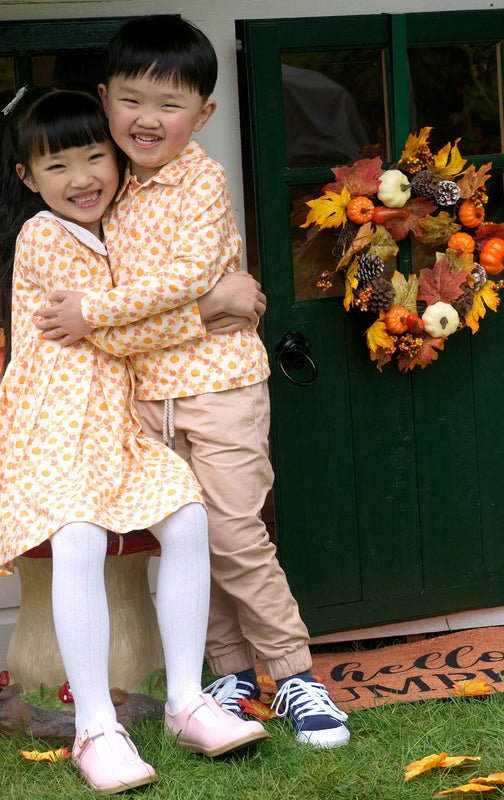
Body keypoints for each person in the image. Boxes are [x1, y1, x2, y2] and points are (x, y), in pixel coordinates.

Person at [34, 17, 350, 749]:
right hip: (145, 399)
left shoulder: (199, 182)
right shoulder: (103, 190)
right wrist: (211, 307)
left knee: (238, 531)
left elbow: (175, 284)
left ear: (203, 115)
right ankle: (230, 671)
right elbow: (171, 307)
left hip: (220, 389)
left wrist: (100, 318)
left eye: (169, 104)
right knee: (189, 534)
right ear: (105, 98)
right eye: (132, 100)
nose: (148, 120)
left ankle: (294, 672)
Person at [0, 87, 268, 796]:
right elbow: (110, 320)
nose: (82, 178)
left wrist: (184, 297)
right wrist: (212, 305)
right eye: (57, 166)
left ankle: (188, 700)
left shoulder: (118, 227)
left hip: (115, 425)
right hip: (53, 429)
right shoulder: (45, 237)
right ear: (28, 180)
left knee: (189, 518)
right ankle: (97, 726)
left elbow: (128, 313)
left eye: (96, 156)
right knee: (78, 539)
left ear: (119, 158)